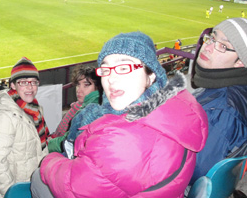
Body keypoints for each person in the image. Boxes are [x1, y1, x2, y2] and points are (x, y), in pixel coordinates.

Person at [31, 32, 208, 198]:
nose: (111, 79)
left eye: (124, 68)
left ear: (151, 75)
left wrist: (48, 160)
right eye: (106, 70)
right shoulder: (178, 105)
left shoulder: (120, 139)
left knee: (37, 178)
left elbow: (72, 185)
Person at [0, 57, 49, 198]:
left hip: (30, 181)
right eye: (23, 82)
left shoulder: (34, 109)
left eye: (34, 82)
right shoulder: (4, 116)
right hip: (6, 189)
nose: (30, 87)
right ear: (13, 85)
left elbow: (41, 148)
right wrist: (12, 192)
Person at [190, 18, 247, 184]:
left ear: (240, 62)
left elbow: (196, 174)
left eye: (222, 46)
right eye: (212, 39)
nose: (207, 47)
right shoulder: (231, 90)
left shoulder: (220, 111)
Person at [50, 65, 102, 139]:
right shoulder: (77, 106)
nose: (79, 90)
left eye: (86, 85)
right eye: (78, 84)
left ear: (98, 87)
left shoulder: (91, 113)